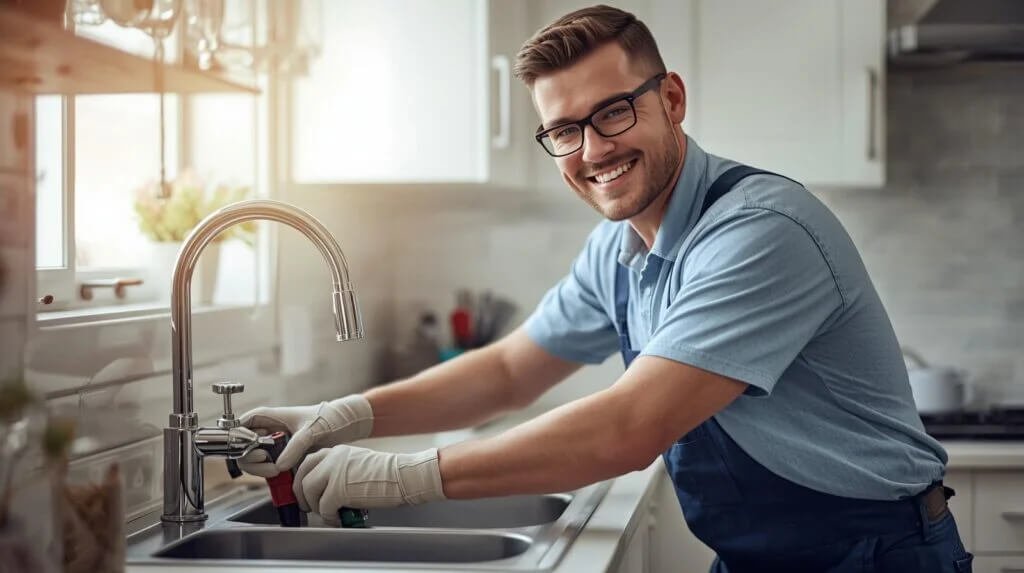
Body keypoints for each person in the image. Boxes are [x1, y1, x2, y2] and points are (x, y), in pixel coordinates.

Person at [239, 5, 972, 572]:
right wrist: (345, 414)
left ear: (672, 99)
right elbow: (507, 370)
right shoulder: (617, 251)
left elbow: (630, 427)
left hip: (878, 553)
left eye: (613, 112)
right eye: (564, 130)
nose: (593, 150)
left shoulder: (761, 232)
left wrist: (402, 477)